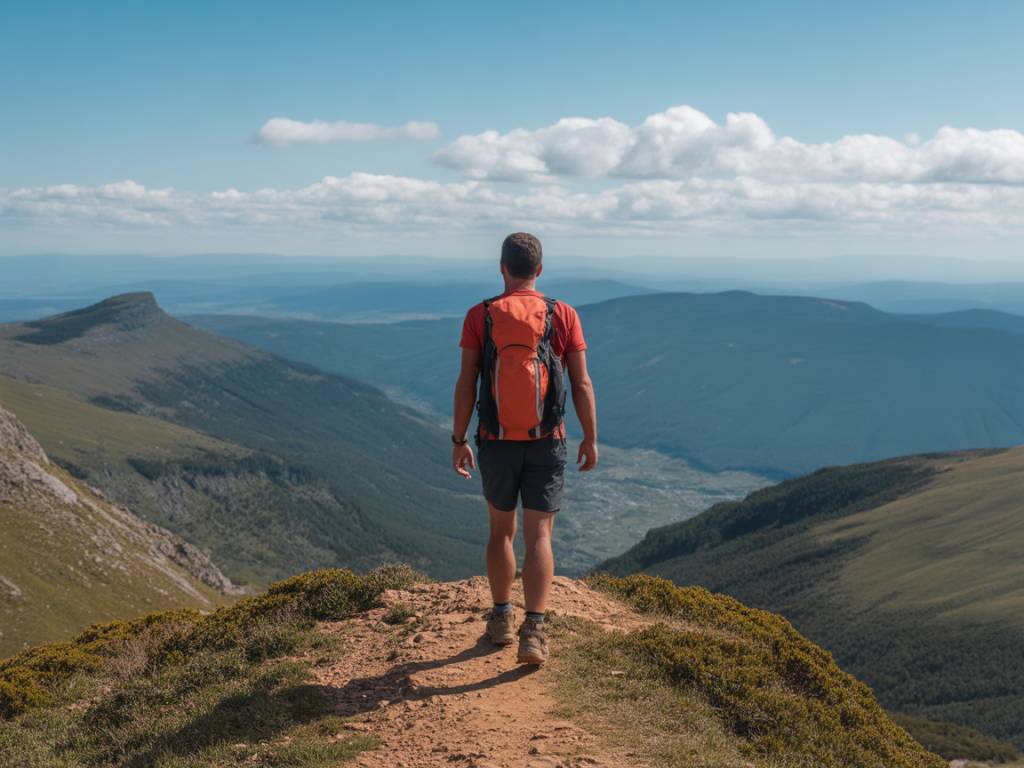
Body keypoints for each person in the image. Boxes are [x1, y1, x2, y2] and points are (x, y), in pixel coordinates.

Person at [451, 232, 598, 665]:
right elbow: (581, 382)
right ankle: (533, 632)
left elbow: (466, 383)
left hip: (496, 440)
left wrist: (459, 439)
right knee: (539, 534)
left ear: (502, 268)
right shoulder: (563, 315)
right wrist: (590, 436)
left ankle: (501, 618)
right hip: (547, 441)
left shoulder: (480, 315)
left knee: (501, 531)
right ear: (539, 270)